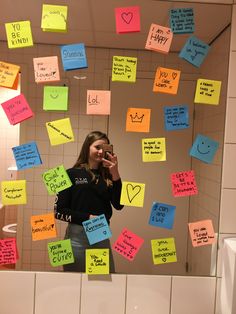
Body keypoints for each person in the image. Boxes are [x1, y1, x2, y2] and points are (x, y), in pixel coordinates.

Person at [54, 130, 124, 272]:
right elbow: (58, 211)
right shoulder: (69, 174)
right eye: (97, 147)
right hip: (76, 236)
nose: (100, 152)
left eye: (104, 148)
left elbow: (119, 205)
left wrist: (115, 173)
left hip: (100, 231)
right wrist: (88, 218)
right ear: (87, 148)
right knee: (75, 281)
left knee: (103, 280)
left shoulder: (109, 177)